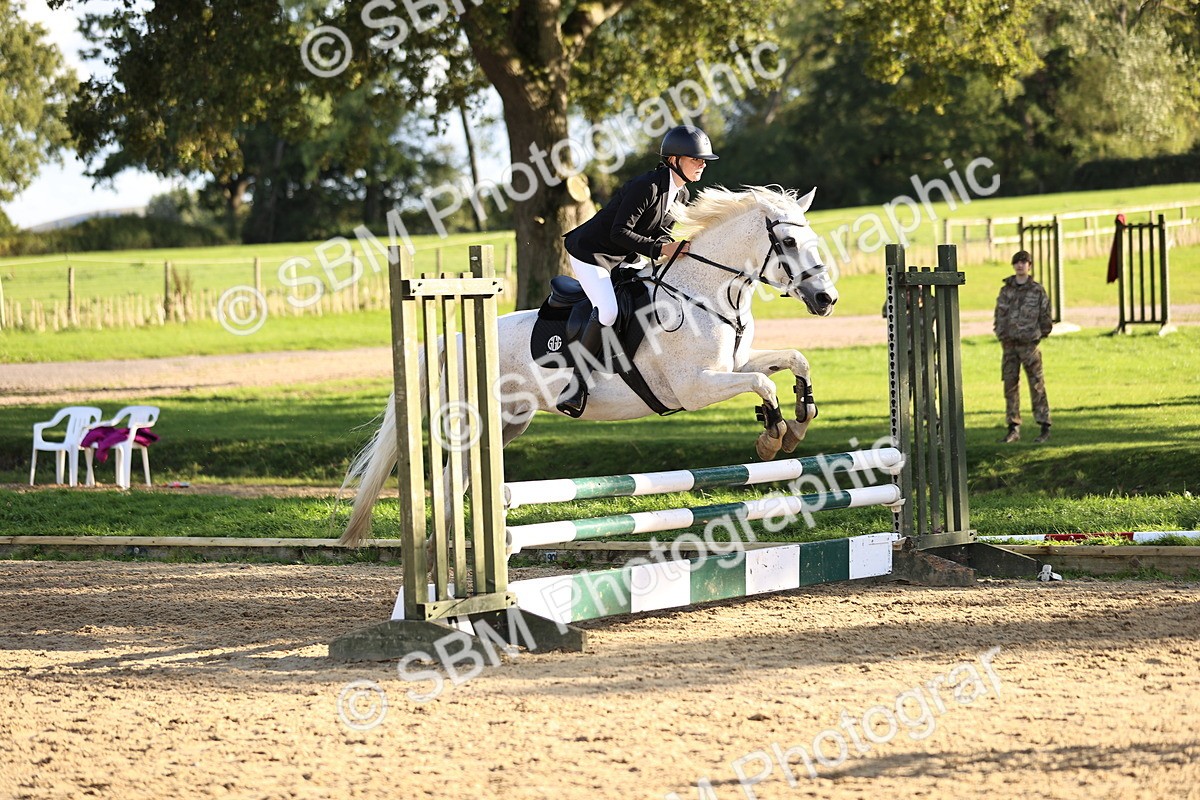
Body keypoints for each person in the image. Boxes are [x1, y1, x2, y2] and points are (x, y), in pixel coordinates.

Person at [555, 124, 719, 417]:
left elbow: (660, 238)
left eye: (703, 160)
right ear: (674, 160)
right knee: (608, 311)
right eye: (696, 159)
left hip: (626, 256)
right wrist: (660, 250)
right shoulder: (649, 186)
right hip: (592, 253)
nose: (702, 164)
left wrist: (677, 250)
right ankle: (574, 385)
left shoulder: (680, 196)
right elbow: (620, 232)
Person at [993, 250, 1054, 443]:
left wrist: (1039, 334)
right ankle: (1013, 427)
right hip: (1009, 346)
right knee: (1010, 386)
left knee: (1036, 385)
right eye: (1017, 262)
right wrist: (1001, 334)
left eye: (1023, 262)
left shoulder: (1037, 291)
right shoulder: (1006, 290)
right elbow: (999, 315)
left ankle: (1044, 425)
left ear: (1030, 265)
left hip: (1029, 345)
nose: (1020, 265)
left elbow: (1045, 316)